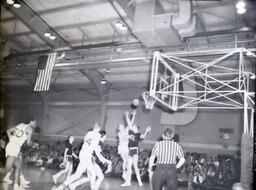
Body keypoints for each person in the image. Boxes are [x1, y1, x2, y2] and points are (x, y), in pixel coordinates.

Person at [55, 123, 111, 190]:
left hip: (84, 155)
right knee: (77, 175)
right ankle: (60, 187)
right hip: (86, 156)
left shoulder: (89, 133)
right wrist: (103, 159)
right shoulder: (96, 136)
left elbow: (89, 145)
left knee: (93, 174)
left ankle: (72, 186)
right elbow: (95, 150)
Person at [0, 117, 37, 188]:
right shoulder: (30, 129)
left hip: (13, 147)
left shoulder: (21, 125)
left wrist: (11, 140)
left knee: (18, 166)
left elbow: (8, 131)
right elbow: (28, 142)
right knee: (6, 170)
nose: (35, 124)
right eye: (35, 122)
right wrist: (34, 144)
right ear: (31, 122)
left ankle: (16, 185)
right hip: (14, 148)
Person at [121, 113, 151, 186]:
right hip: (130, 151)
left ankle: (140, 181)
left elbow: (143, 136)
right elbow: (129, 124)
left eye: (134, 127)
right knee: (128, 167)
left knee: (135, 166)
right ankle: (128, 181)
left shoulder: (138, 134)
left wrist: (147, 131)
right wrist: (128, 116)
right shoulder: (131, 133)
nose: (132, 127)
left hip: (134, 151)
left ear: (136, 128)